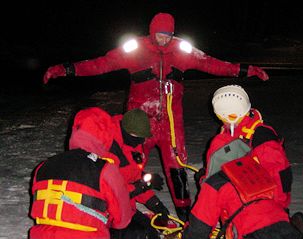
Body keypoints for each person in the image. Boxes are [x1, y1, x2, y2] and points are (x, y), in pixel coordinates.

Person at [43, 12, 269, 222]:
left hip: (171, 123)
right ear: (152, 32)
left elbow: (213, 64)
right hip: (139, 124)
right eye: (160, 35)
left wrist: (245, 70)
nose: (164, 40)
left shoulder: (183, 50)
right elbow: (100, 64)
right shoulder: (134, 50)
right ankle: (124, 208)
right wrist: (66, 69)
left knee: (176, 166)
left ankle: (184, 213)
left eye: (168, 35)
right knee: (129, 167)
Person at [28, 108, 161, 239]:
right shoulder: (104, 169)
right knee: (132, 233)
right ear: (107, 136)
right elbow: (122, 220)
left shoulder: (43, 167)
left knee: (60, 227)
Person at [72, 107, 171, 232]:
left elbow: (134, 178)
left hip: (124, 207)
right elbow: (114, 192)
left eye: (143, 137)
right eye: (137, 136)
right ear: (126, 131)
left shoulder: (132, 145)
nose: (140, 141)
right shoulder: (108, 150)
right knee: (141, 238)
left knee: (151, 234)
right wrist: (143, 186)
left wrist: (155, 204)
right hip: (104, 212)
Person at [196, 85, 292, 212]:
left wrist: (277, 210)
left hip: (260, 205)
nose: (223, 122)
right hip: (236, 197)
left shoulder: (263, 139)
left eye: (224, 117)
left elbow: (280, 178)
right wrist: (206, 179)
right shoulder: (227, 134)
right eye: (220, 117)